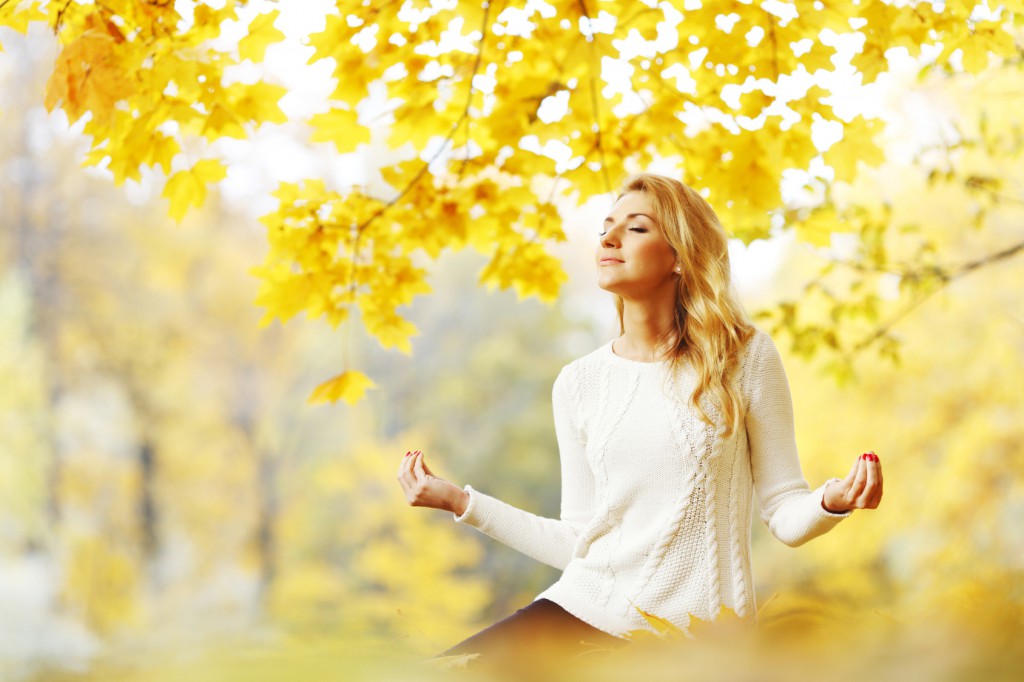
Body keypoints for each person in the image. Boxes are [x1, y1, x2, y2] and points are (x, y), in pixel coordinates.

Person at [396, 172, 884, 670]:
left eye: (636, 228)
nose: (608, 238)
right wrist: (461, 502)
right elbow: (577, 541)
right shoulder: (579, 382)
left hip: (698, 642)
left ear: (678, 256)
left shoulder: (745, 358)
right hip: (581, 607)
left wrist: (831, 501)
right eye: (607, 226)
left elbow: (784, 511)